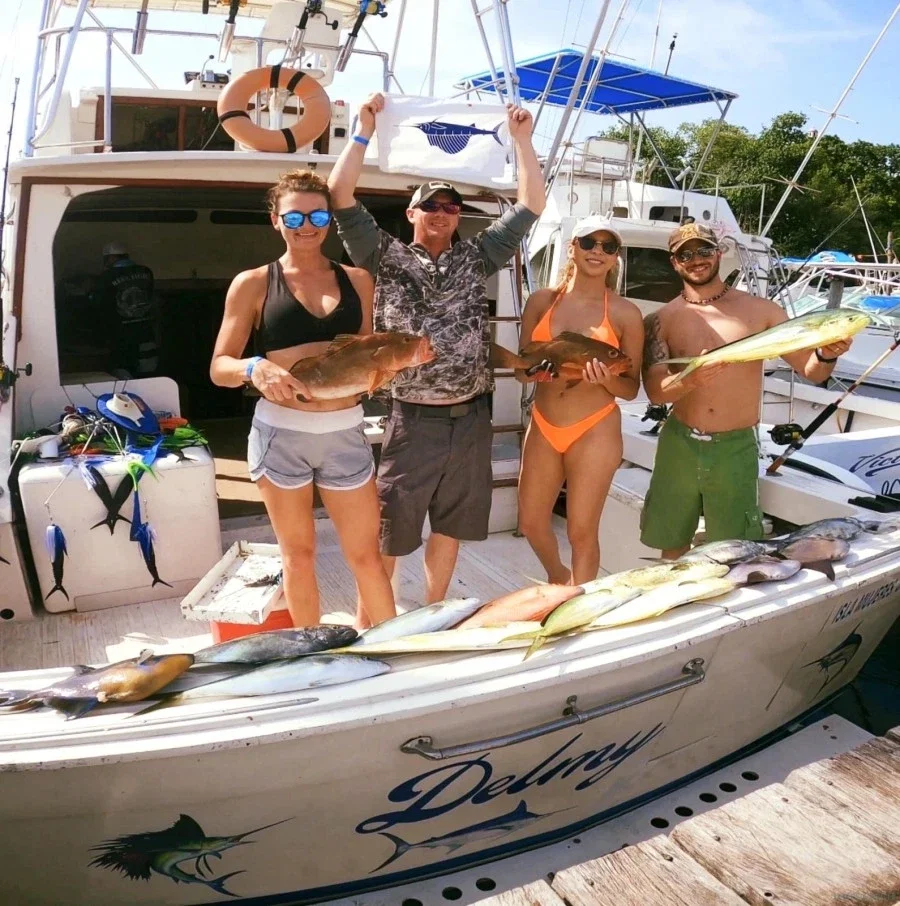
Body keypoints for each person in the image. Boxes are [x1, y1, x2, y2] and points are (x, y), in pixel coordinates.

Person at [328, 93, 546, 609]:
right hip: (412, 419)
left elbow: (531, 206)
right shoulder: (383, 254)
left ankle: (433, 612)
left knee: (452, 526)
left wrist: (522, 141)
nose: (443, 214)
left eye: (451, 207)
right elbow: (338, 195)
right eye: (431, 206)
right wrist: (362, 131)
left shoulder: (478, 256)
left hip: (471, 419)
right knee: (392, 528)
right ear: (412, 212)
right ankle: (373, 620)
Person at [209, 169, 396, 629]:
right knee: (298, 555)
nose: (306, 226)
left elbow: (369, 354)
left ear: (330, 219)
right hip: (281, 435)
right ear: (276, 220)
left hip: (344, 432)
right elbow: (219, 367)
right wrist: (254, 367)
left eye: (317, 216)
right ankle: (309, 651)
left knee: (367, 555)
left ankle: (392, 646)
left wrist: (391, 368)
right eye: (294, 217)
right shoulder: (253, 283)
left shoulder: (359, 280)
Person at [640, 223, 853, 559]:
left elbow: (812, 371)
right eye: (685, 254)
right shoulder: (660, 319)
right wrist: (692, 379)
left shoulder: (762, 311)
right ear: (674, 262)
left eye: (704, 250)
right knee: (672, 542)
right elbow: (656, 392)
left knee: (733, 550)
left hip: (735, 447)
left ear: (719, 253)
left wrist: (827, 354)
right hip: (678, 444)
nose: (696, 260)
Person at [516, 218, 643, 584]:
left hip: (595, 428)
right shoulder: (541, 301)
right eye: (589, 243)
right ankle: (559, 578)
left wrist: (606, 380)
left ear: (615, 257)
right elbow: (522, 371)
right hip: (543, 424)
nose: (597, 251)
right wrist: (533, 373)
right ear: (572, 247)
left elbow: (631, 388)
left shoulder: (625, 313)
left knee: (581, 531)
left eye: (608, 246)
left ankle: (579, 604)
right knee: (531, 522)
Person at [93, 242, 160, 378]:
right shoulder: (146, 272)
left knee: (123, 373)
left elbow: (101, 305)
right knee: (148, 371)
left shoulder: (106, 277)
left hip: (121, 334)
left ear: (111, 257)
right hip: (146, 331)